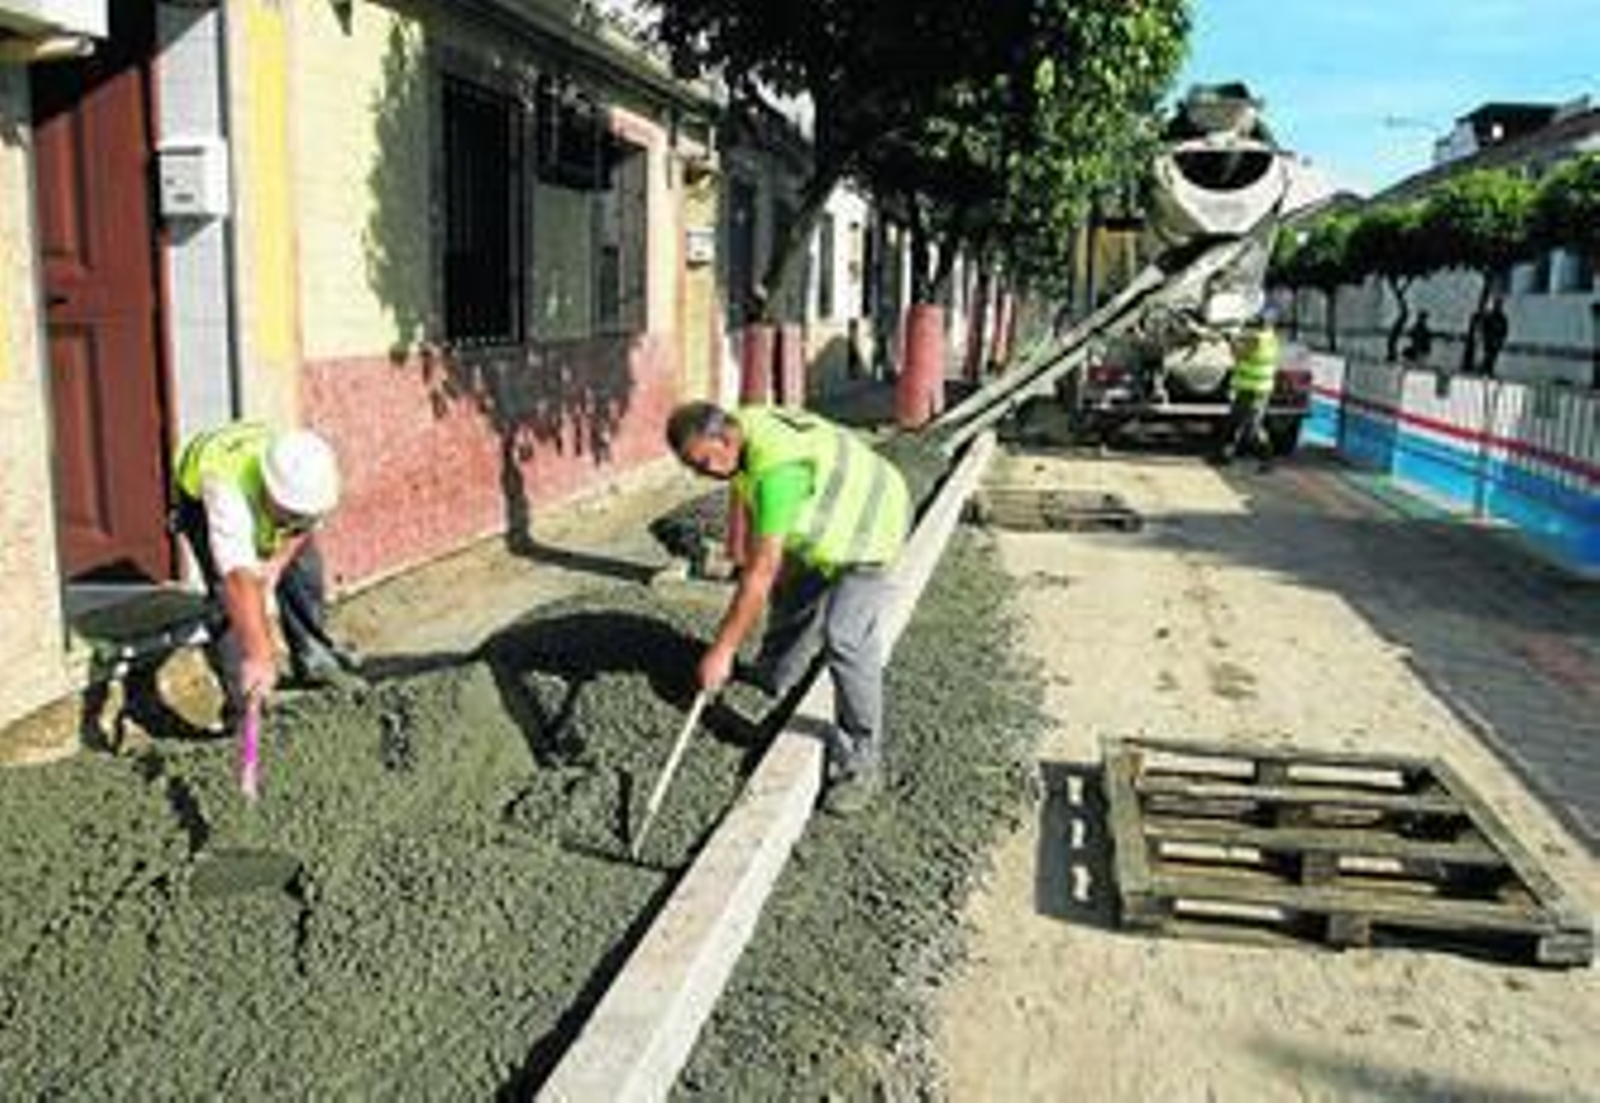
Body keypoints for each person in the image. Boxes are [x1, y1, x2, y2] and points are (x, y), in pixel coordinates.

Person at [665, 402, 912, 814]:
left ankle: (862, 757)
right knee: (792, 588)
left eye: (702, 462)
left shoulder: (777, 473)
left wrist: (723, 649)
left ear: (724, 439)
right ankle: (774, 677)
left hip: (873, 525)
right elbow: (761, 547)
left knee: (845, 635)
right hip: (832, 517)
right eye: (692, 466)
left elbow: (759, 572)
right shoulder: (745, 428)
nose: (699, 473)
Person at [171, 422, 360, 722]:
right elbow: (237, 579)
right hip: (198, 498)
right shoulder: (225, 492)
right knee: (229, 604)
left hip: (271, 486)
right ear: (269, 492)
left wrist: (273, 569)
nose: (295, 519)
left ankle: (314, 658)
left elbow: (302, 529)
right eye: (289, 513)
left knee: (305, 567)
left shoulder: (311, 474)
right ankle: (245, 703)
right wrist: (259, 654)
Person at [1215, 316, 1281, 470]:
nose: (1247, 330)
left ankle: (1267, 458)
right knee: (1233, 422)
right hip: (1251, 388)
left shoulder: (1258, 340)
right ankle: (1225, 456)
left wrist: (1230, 342)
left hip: (1256, 390)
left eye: (1249, 327)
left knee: (1253, 427)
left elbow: (1239, 355)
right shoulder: (1269, 337)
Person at [1479, 296, 1509, 376]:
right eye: (1497, 304)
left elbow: (1504, 331)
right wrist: (1485, 338)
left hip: (1496, 341)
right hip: (1489, 341)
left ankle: (1489, 371)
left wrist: (1500, 340)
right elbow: (1483, 328)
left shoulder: (1502, 318)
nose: (1498, 306)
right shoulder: (1489, 316)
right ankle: (1485, 370)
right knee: (1487, 356)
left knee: (1493, 357)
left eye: (1499, 305)